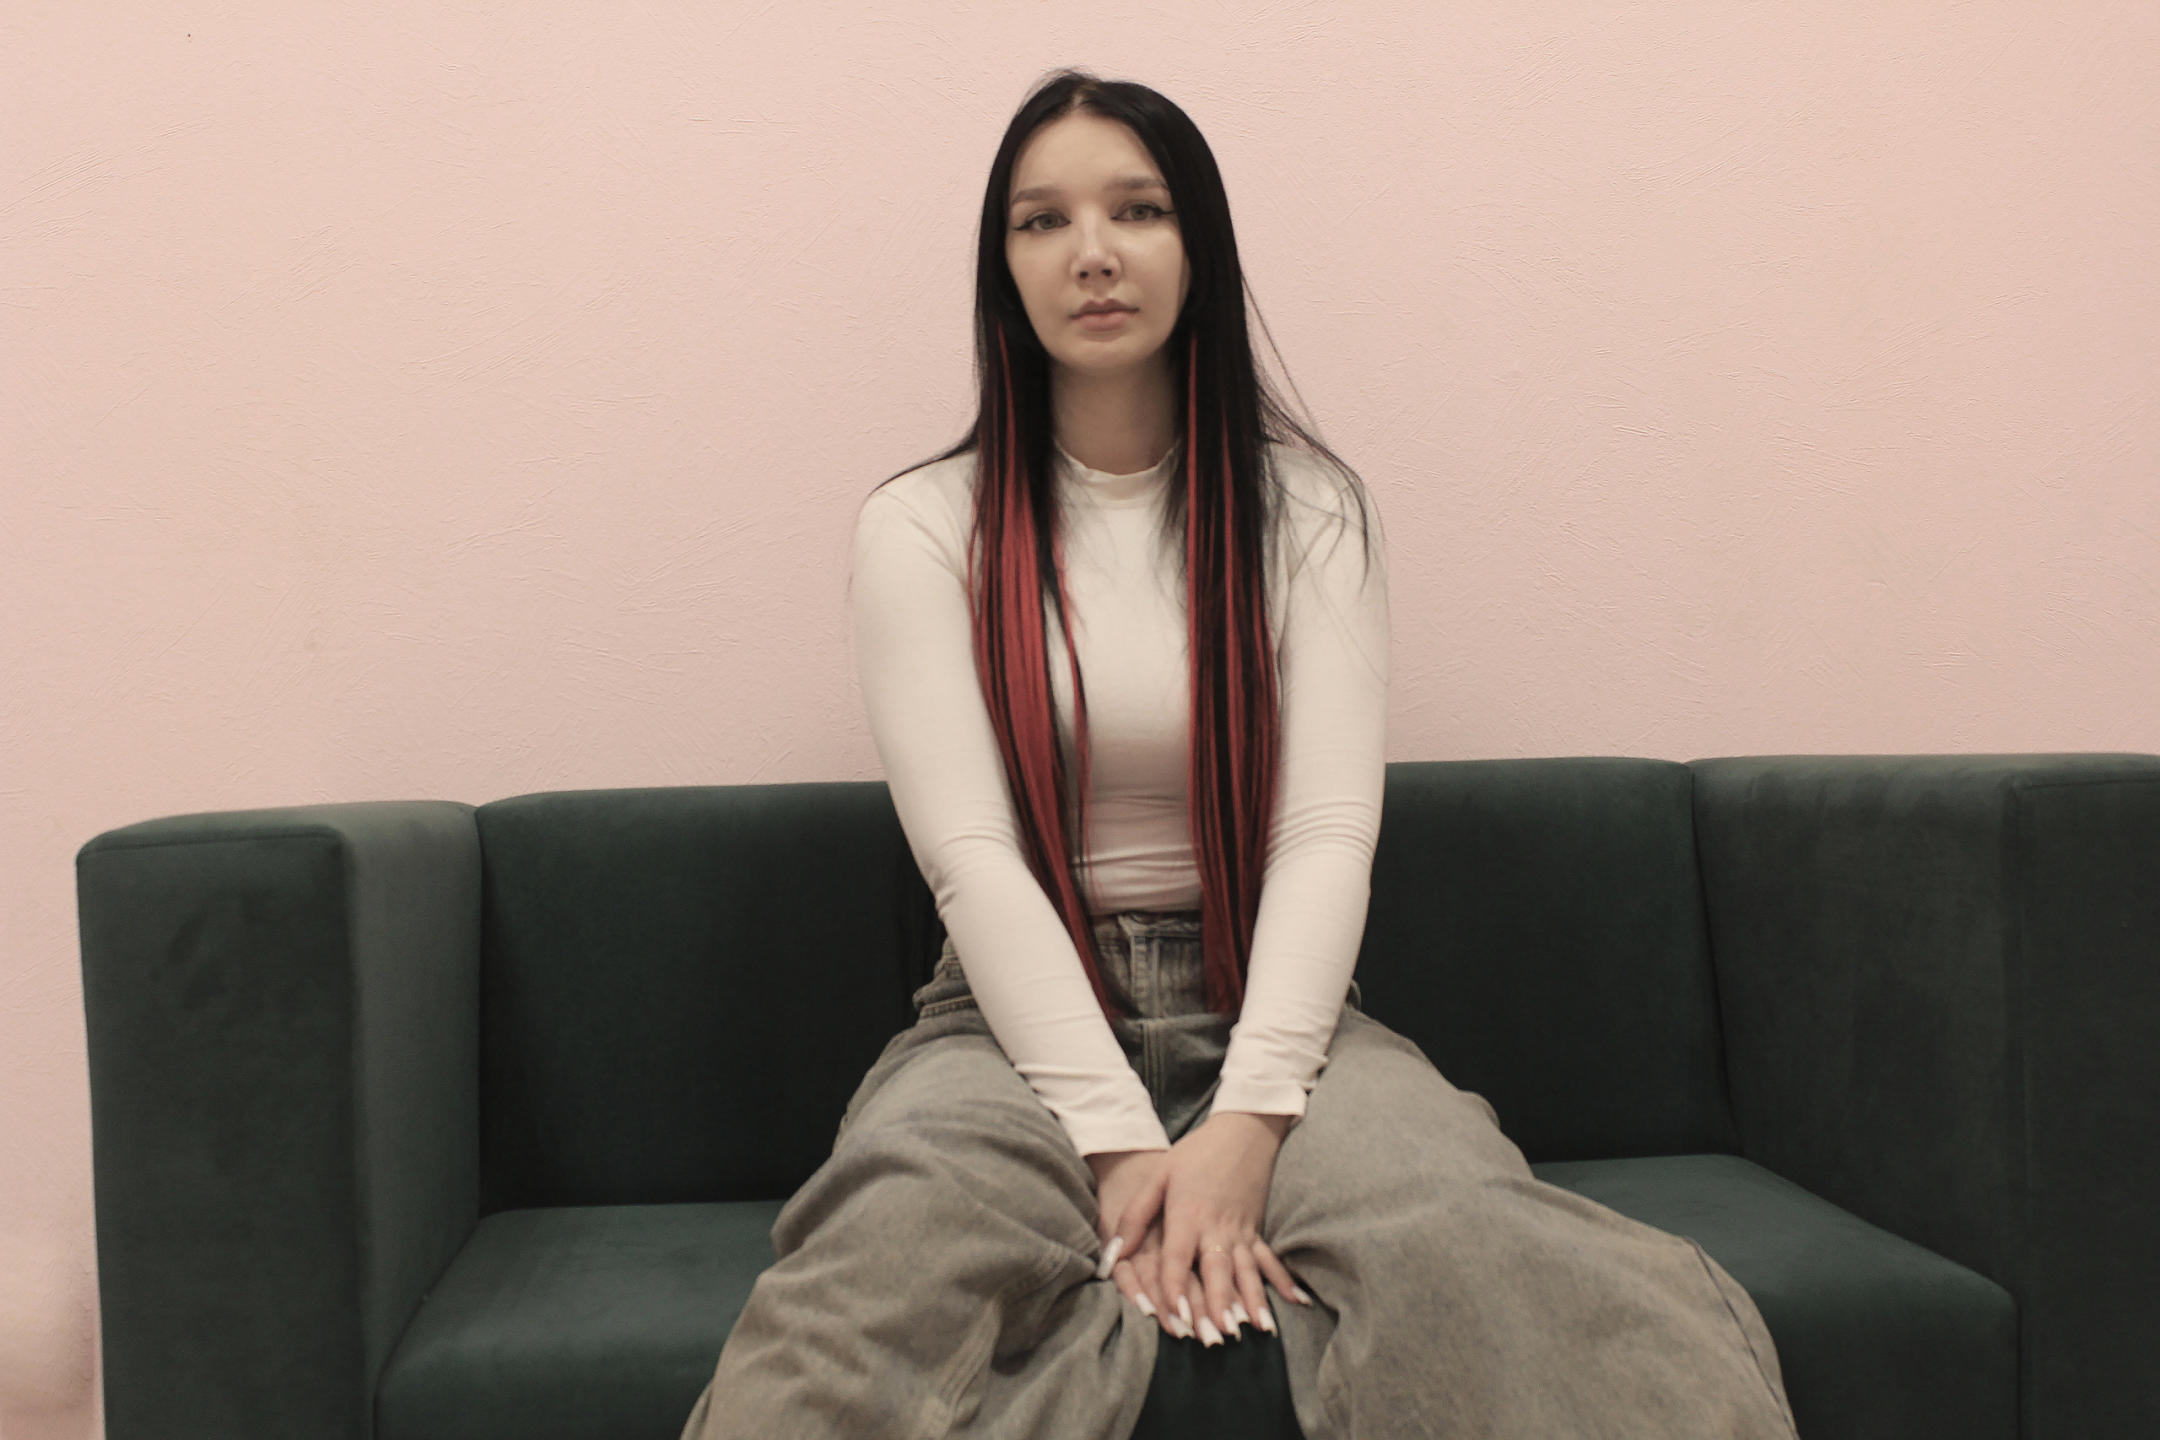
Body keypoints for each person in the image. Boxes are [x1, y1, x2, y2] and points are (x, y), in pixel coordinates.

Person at [679, 67, 1800, 1440]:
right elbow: (971, 861)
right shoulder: (923, 526)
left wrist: (1249, 1124)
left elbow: (1324, 837)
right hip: (1002, 1031)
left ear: (1196, 245)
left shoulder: (1312, 512)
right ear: (1003, 270)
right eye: (1043, 221)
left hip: (1272, 1007)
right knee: (883, 1262)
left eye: (1137, 210)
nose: (1093, 252)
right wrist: (1120, 1143)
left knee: (1469, 1235)